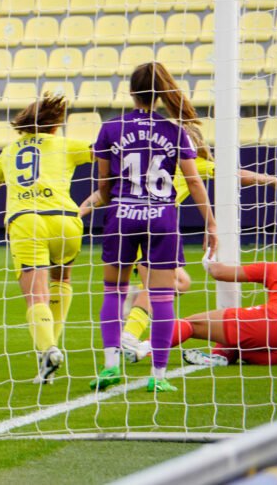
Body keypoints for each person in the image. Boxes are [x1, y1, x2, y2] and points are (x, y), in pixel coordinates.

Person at [81, 123, 277, 363]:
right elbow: (236, 175)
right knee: (160, 287)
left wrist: (79, 212)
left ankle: (132, 319)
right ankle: (130, 336)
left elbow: (103, 192)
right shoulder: (186, 162)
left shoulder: (152, 160)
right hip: (154, 227)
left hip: (130, 224)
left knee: (180, 282)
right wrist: (273, 180)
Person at [90, 62, 217, 393]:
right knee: (162, 298)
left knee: (112, 292)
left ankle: (109, 367)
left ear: (131, 91)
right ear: (160, 94)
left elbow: (104, 182)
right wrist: (211, 223)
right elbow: (193, 180)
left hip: (122, 216)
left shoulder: (110, 128)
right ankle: (158, 377)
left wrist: (105, 199)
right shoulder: (176, 131)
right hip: (161, 218)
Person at [0, 94, 93, 383]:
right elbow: (103, 154)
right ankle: (49, 354)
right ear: (55, 126)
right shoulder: (67, 145)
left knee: (35, 295)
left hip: (27, 222)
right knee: (62, 281)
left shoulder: (9, 151)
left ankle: (48, 349)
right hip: (66, 221)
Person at [173, 240, 277, 367]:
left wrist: (209, 258)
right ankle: (220, 357)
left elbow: (220, 272)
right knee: (242, 340)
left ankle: (150, 346)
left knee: (191, 324)